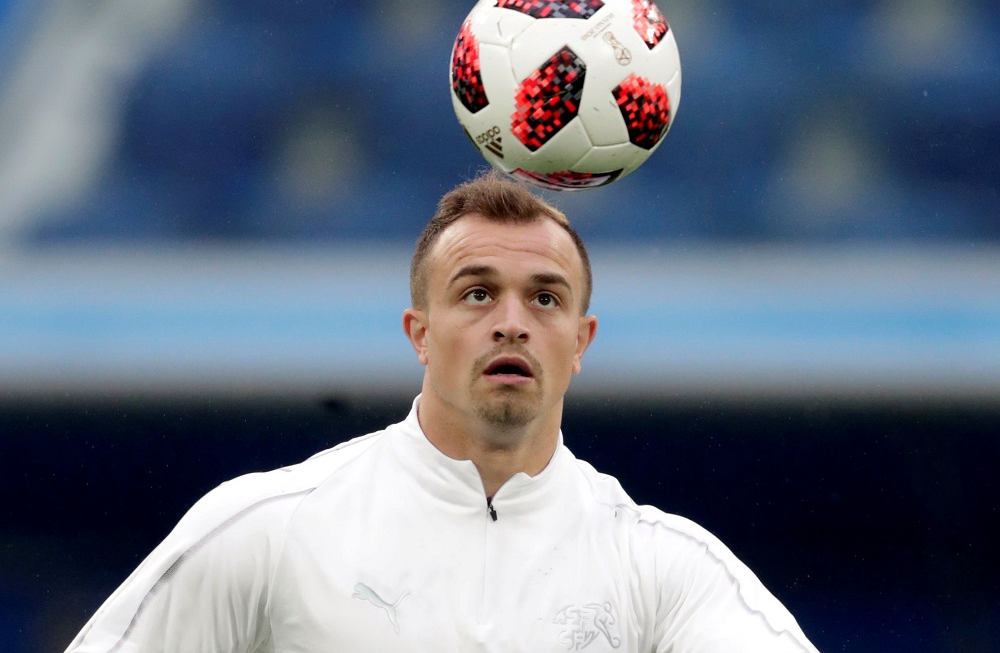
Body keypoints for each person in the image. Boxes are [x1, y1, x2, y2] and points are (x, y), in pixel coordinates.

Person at [66, 170, 819, 652]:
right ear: (419, 332)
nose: (513, 321)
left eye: (546, 297)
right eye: (477, 292)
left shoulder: (661, 567)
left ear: (581, 341)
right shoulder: (268, 527)